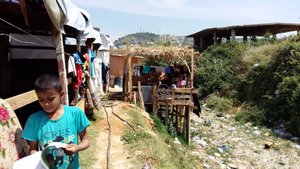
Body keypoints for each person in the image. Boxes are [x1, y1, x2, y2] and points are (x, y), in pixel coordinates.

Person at [22, 74, 90, 169]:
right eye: (41, 99)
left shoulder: (75, 114)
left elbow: (86, 140)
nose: (46, 104)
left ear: (61, 94)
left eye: (50, 99)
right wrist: (38, 159)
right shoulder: (34, 120)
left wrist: (77, 148)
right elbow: (33, 149)